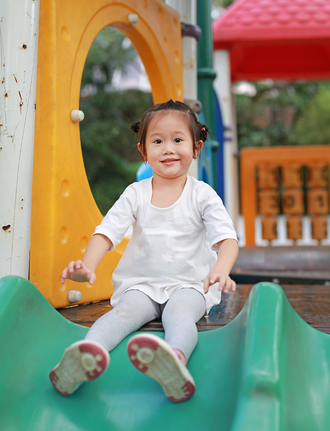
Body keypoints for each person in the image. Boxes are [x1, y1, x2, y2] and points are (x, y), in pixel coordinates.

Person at [49, 99, 238, 402]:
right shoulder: (135, 194)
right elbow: (106, 233)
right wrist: (88, 266)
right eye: (158, 141)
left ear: (196, 148)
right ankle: (86, 354)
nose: (168, 148)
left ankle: (174, 360)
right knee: (123, 313)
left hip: (189, 285)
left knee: (179, 314)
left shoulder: (202, 195)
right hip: (142, 285)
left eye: (178, 140)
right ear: (144, 151)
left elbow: (227, 239)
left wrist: (221, 269)